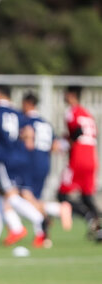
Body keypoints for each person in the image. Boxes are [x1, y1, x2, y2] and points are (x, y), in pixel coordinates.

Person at [0, 85, 46, 248]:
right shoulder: (17, 113)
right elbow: (29, 134)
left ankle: (36, 221)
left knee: (11, 195)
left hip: (5, 159)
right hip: (20, 157)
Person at [21, 92, 72, 237]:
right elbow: (56, 147)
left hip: (31, 162)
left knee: (24, 195)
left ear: (27, 103)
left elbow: (29, 142)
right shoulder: (46, 123)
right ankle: (43, 235)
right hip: (45, 162)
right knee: (34, 197)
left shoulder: (26, 121)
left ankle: (56, 210)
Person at [59, 85, 101, 241]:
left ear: (71, 95)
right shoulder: (87, 114)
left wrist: (64, 144)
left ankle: (90, 217)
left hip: (78, 159)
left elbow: (77, 132)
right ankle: (99, 230)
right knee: (87, 197)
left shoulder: (72, 111)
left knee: (62, 194)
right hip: (91, 158)